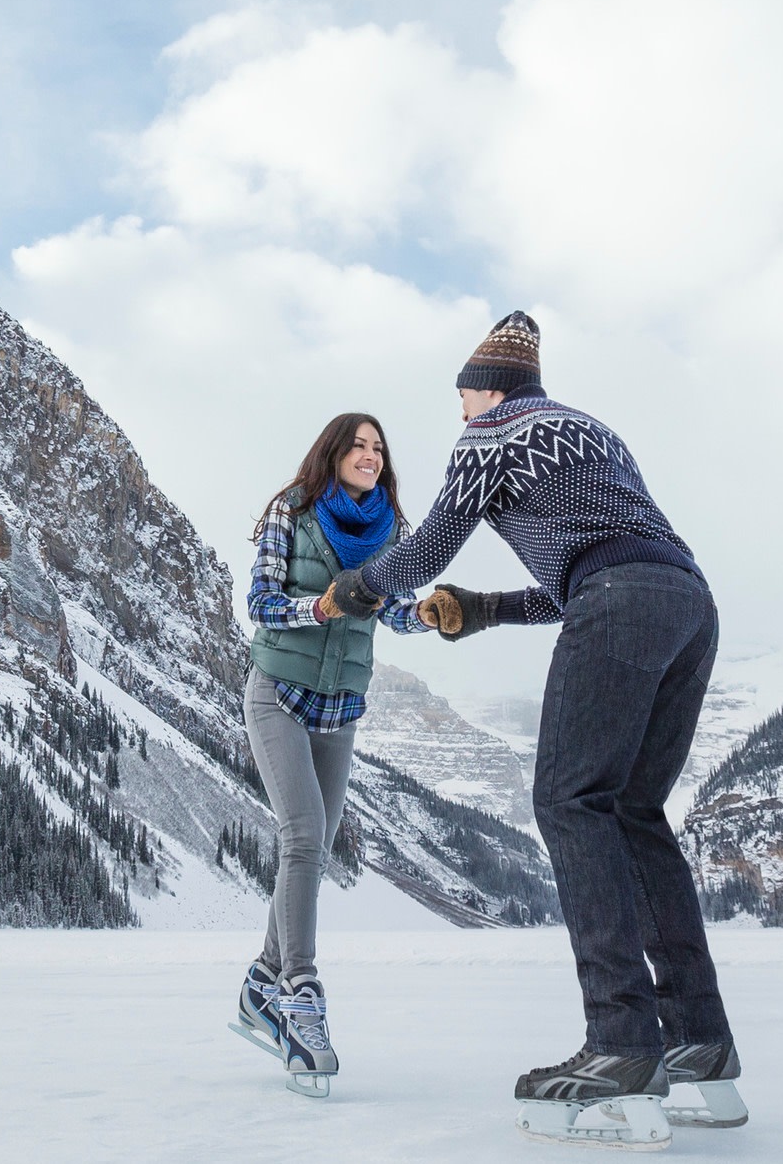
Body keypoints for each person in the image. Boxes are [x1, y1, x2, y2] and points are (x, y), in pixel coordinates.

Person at [317, 311, 745, 1134]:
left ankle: (622, 1040)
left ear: (482, 388)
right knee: (633, 811)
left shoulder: (490, 433)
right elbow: (603, 564)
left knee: (569, 801)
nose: (460, 414)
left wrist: (359, 587)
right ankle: (699, 1038)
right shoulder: (593, 433)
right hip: (689, 603)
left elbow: (430, 546)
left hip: (622, 601)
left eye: (461, 399)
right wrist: (482, 609)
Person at [230, 411, 431, 1097]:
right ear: (335, 451)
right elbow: (260, 600)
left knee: (309, 858)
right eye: (360, 445)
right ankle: (300, 998)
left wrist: (427, 613)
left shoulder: (390, 533)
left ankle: (260, 982)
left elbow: (390, 607)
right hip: (278, 693)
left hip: (341, 707)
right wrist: (317, 607)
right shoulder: (293, 511)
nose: (371, 455)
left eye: (379, 448)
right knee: (304, 836)